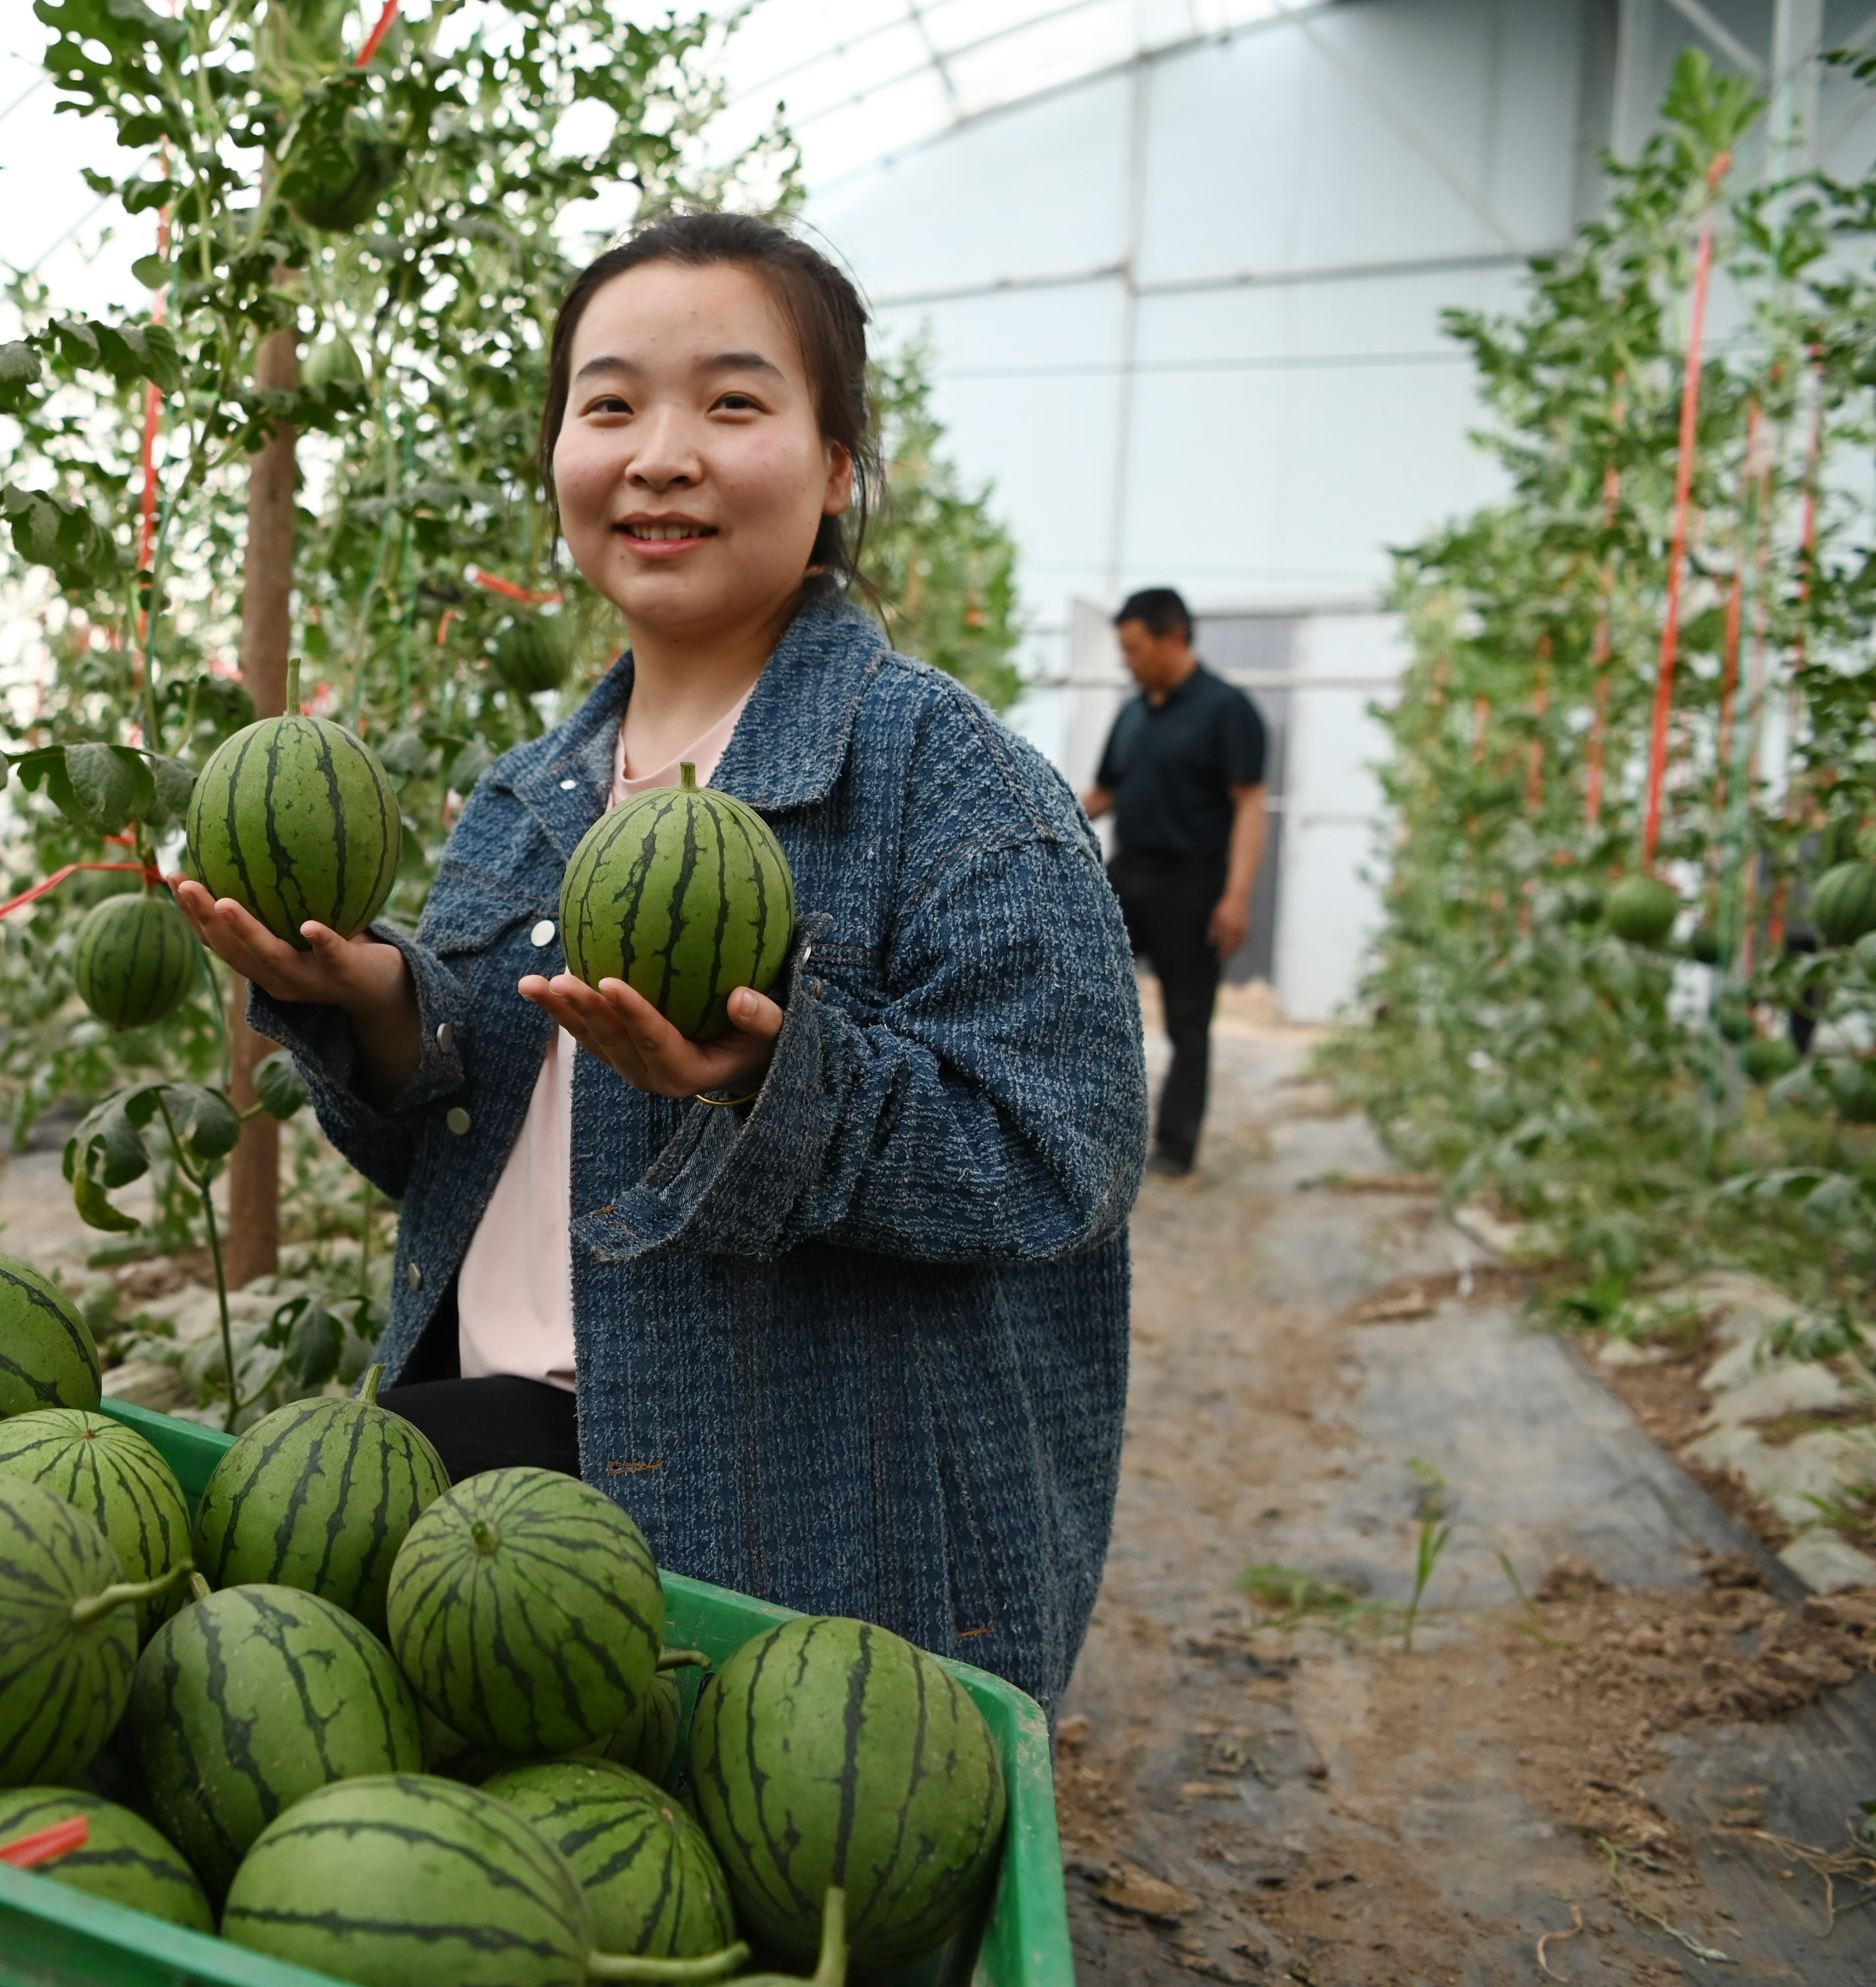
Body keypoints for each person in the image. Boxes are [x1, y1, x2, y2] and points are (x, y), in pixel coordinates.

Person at [173, 211, 1147, 1711]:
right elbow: (468, 1137)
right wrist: (372, 1007)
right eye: (608, 402)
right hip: (476, 1460)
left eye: (733, 401)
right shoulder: (525, 793)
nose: (659, 452)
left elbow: (1050, 1161)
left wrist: (774, 1079)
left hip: (778, 1528)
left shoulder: (958, 792)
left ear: (835, 468)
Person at [1082, 590, 1269, 1179]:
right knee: (1086, 999)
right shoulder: (1133, 713)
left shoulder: (1227, 710)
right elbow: (1106, 792)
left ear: (1175, 639)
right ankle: (1086, 1129)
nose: (1127, 662)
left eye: (1134, 650)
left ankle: (1174, 1149)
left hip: (1194, 886)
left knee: (1188, 1025)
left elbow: (1249, 805)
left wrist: (1236, 895)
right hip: (1127, 876)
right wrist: (1043, 815)